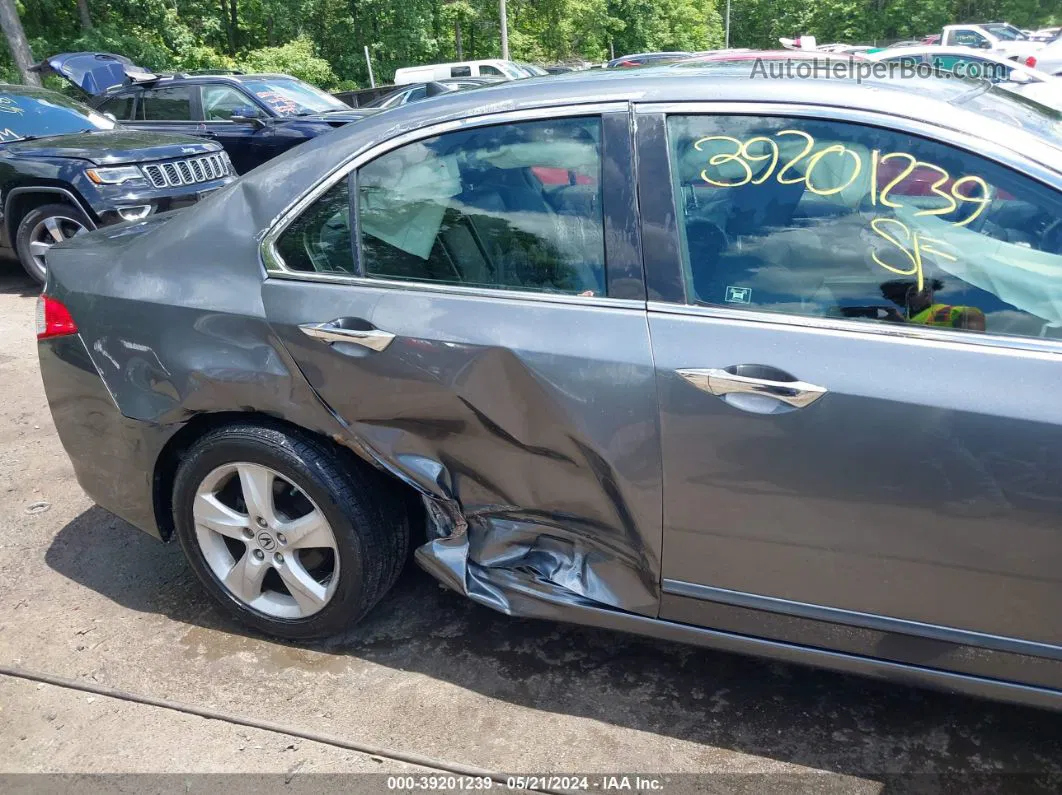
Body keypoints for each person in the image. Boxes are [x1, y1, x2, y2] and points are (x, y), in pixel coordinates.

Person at [879, 278, 986, 331]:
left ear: (927, 294)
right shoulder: (902, 315)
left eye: (910, 294)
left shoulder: (944, 311)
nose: (905, 299)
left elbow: (973, 317)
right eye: (895, 297)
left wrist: (904, 324)